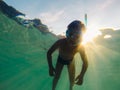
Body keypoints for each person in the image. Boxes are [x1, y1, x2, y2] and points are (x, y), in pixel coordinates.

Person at [47, 20, 88, 90]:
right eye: (70, 34)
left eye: (77, 36)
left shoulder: (80, 47)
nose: (73, 39)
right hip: (61, 60)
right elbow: (49, 53)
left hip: (70, 61)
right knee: (56, 77)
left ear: (81, 38)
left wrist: (82, 75)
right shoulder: (61, 42)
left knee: (72, 80)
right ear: (66, 33)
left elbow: (85, 62)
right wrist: (50, 67)